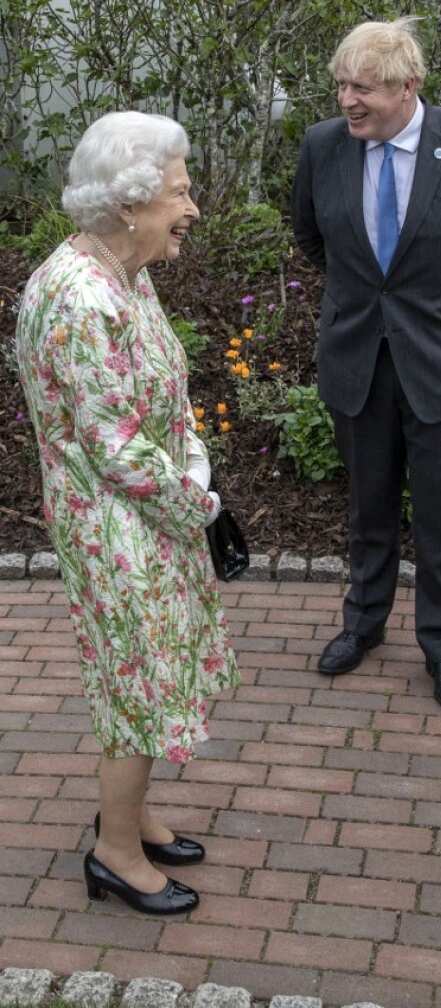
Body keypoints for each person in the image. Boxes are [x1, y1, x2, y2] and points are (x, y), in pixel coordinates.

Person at [15, 111, 239, 916]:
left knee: (138, 673)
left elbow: (156, 396)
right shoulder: (80, 299)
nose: (192, 208)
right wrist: (201, 501)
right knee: (139, 681)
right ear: (131, 203)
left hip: (143, 512)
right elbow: (114, 446)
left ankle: (131, 816)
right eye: (180, 192)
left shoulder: (124, 271)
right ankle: (113, 854)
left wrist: (191, 459)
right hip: (114, 521)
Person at [292, 17, 441, 710]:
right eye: (340, 85)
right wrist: (368, 297)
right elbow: (311, 236)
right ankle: (362, 623)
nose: (347, 101)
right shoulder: (324, 147)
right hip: (358, 354)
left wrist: (439, 299)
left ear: (407, 87)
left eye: (362, 87)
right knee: (367, 504)